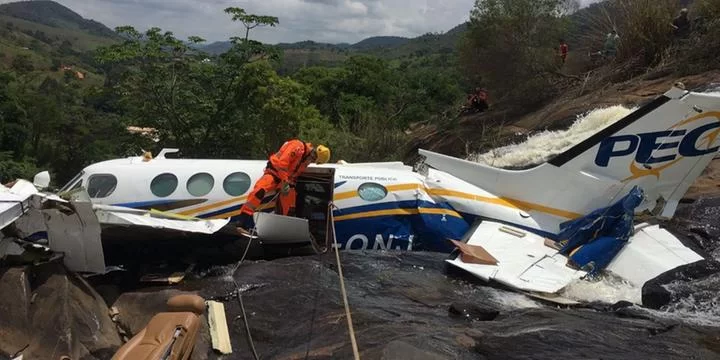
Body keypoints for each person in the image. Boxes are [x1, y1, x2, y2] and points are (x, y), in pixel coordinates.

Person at [235, 140, 331, 233]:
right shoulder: (297, 146)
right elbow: (282, 163)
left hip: (285, 180)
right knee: (259, 191)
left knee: (290, 204)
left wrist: (290, 184)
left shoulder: (305, 161)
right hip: (274, 173)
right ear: (313, 153)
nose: (311, 161)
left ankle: (282, 229)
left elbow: (294, 174)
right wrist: (285, 181)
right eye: (313, 159)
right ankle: (242, 222)